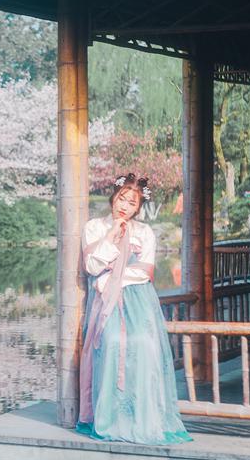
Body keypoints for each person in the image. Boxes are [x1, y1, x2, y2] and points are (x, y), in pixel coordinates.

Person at [75, 172, 192, 445]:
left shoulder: (144, 232)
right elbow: (91, 266)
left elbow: (145, 271)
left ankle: (144, 417)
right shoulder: (94, 227)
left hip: (138, 299)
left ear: (138, 208)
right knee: (111, 343)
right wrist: (112, 235)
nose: (125, 206)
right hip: (105, 301)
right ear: (113, 198)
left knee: (145, 346)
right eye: (122, 199)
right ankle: (110, 419)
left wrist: (114, 277)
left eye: (132, 203)